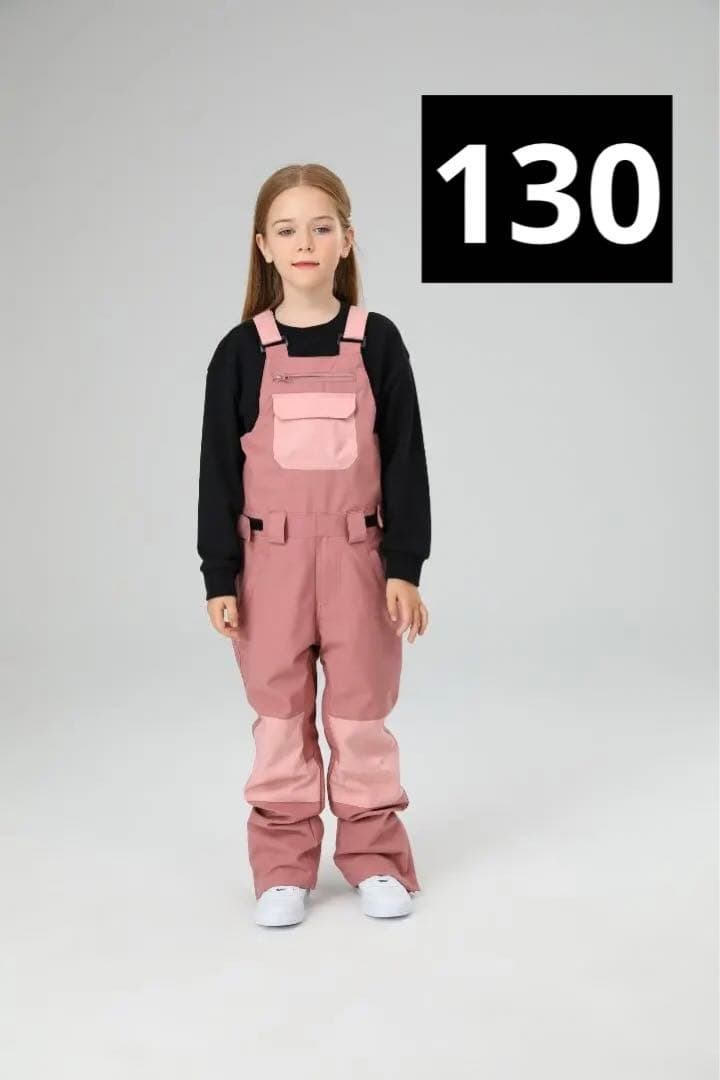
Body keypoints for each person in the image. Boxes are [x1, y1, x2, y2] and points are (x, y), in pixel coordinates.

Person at [197, 163, 431, 927]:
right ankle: (281, 868)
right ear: (263, 245)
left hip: (359, 561)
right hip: (270, 566)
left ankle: (376, 857)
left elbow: (405, 460)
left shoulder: (377, 342)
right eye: (288, 229)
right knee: (279, 720)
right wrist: (219, 575)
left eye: (321, 227)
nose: (305, 242)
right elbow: (217, 471)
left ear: (347, 240)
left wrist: (404, 567)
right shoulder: (242, 352)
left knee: (361, 717)